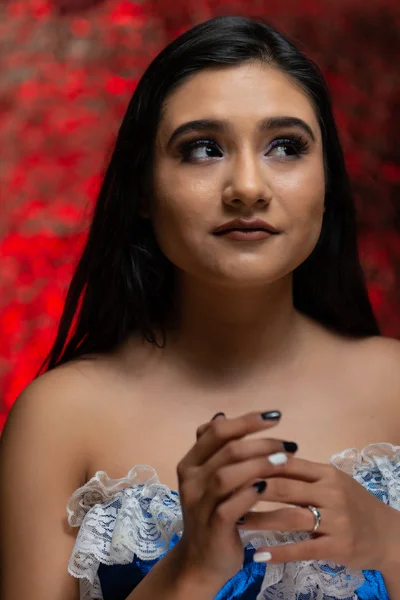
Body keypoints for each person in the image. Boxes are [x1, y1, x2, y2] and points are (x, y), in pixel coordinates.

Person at [0, 14, 399, 600]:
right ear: (141, 190)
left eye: (285, 147)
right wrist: (191, 568)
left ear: (327, 181)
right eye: (203, 149)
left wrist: (389, 543)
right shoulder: (60, 419)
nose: (247, 186)